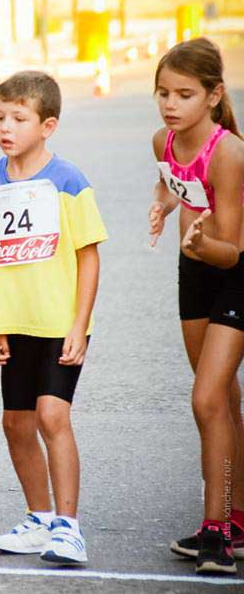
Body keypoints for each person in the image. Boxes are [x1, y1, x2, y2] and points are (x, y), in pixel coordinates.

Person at [0, 71, 107, 565]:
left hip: (59, 324)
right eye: (0, 116)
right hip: (15, 324)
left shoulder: (68, 182)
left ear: (47, 125)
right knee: (16, 422)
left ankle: (69, 528)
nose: (6, 126)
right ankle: (39, 518)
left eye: (19, 118)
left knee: (52, 415)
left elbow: (89, 256)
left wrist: (79, 325)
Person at [148, 38, 244, 575]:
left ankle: (217, 532)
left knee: (206, 400)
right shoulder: (163, 140)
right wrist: (163, 205)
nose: (170, 104)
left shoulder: (229, 152)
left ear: (213, 96)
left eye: (185, 94)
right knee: (224, 400)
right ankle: (239, 515)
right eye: (163, 92)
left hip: (233, 268)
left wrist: (200, 245)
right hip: (195, 272)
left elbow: (229, 249)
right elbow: (171, 179)